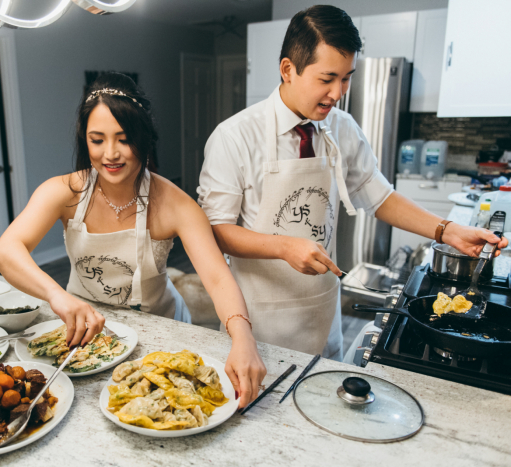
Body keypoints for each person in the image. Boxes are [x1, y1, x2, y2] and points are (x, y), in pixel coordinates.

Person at [197, 5, 508, 361]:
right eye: (327, 78)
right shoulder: (235, 136)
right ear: (288, 70)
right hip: (257, 318)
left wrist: (448, 231)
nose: (338, 92)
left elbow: (379, 196)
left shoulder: (342, 127)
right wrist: (284, 246)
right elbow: (217, 230)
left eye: (346, 78)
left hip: (321, 310)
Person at [0, 72, 266, 407]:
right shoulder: (63, 192)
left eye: (123, 139)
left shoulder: (176, 204)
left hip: (159, 335)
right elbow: (5, 251)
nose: (111, 154)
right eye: (97, 140)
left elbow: (218, 278)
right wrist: (57, 296)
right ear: (85, 140)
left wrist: (243, 337)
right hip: (84, 333)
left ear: (144, 138)